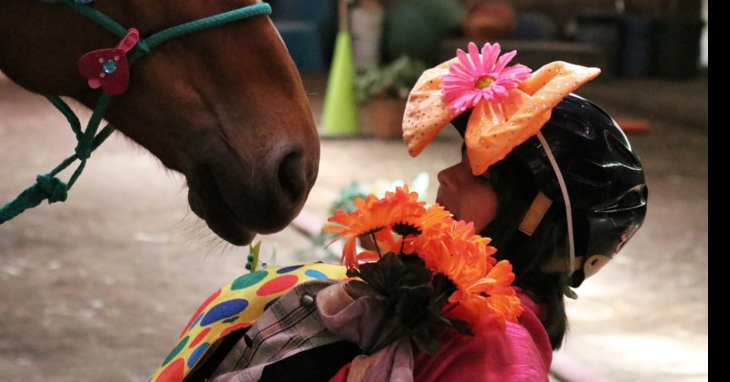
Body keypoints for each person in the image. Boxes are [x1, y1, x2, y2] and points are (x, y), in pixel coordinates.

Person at [151, 42, 648, 382]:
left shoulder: (497, 349)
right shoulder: (435, 298)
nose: (447, 179)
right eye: (459, 162)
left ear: (537, 224)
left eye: (482, 175)